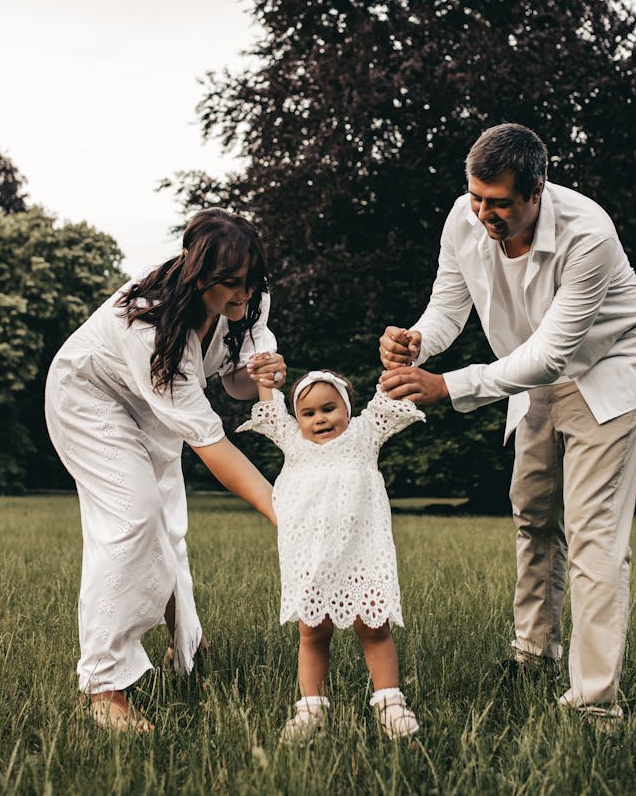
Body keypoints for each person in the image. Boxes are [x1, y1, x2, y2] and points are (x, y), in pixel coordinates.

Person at [379, 123, 636, 727]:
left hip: (607, 369)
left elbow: (555, 352)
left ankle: (595, 702)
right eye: (476, 197)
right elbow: (449, 303)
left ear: (538, 189)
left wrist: (446, 386)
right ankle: (534, 651)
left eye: (499, 202)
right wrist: (417, 342)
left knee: (592, 533)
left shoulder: (590, 234)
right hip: (528, 373)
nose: (483, 213)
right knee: (532, 511)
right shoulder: (465, 216)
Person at [45, 208, 286, 733]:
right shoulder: (148, 323)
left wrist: (262, 370)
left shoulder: (250, 297)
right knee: (134, 519)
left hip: (150, 400)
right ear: (199, 274)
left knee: (168, 526)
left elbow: (234, 383)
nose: (245, 297)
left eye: (251, 283)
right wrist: (283, 511)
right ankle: (104, 687)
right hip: (89, 398)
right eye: (232, 286)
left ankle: (188, 645)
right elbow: (213, 446)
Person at [236, 363, 423, 741]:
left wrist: (398, 360)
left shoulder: (363, 436)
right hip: (310, 560)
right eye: (308, 413)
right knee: (312, 632)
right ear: (298, 418)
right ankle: (311, 709)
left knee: (374, 627)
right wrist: (264, 379)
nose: (319, 419)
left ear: (348, 411)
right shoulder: (294, 444)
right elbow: (272, 410)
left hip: (363, 555)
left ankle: (390, 701)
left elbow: (387, 399)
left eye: (328, 409)